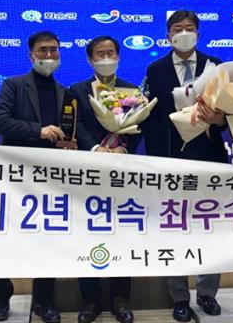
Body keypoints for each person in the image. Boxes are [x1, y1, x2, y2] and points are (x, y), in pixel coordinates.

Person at [143, 10, 225, 322]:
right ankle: (179, 296)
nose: (184, 33)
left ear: (198, 34)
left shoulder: (215, 66)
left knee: (209, 226)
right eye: (178, 29)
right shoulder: (156, 69)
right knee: (173, 228)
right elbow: (150, 119)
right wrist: (156, 159)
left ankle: (207, 294)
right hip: (170, 160)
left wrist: (218, 119)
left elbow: (229, 113)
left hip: (209, 157)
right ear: (168, 36)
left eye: (190, 28)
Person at [0, 31, 70, 323]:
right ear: (31, 55)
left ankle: (44, 301)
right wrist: (39, 131)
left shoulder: (65, 92)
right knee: (5, 237)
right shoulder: (13, 85)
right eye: (43, 50)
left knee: (48, 238)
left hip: (51, 176)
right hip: (15, 175)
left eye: (54, 50)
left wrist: (70, 142)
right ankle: (1, 297)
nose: (49, 55)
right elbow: (0, 122)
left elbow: (67, 131)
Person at [69, 36, 139, 323]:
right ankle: (90, 301)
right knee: (86, 232)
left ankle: (121, 299)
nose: (106, 57)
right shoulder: (77, 90)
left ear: (119, 56)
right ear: (90, 59)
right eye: (100, 53)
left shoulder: (132, 90)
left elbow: (139, 126)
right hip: (88, 171)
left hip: (121, 171)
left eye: (111, 52)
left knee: (122, 231)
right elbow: (76, 125)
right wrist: (96, 148)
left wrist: (124, 148)